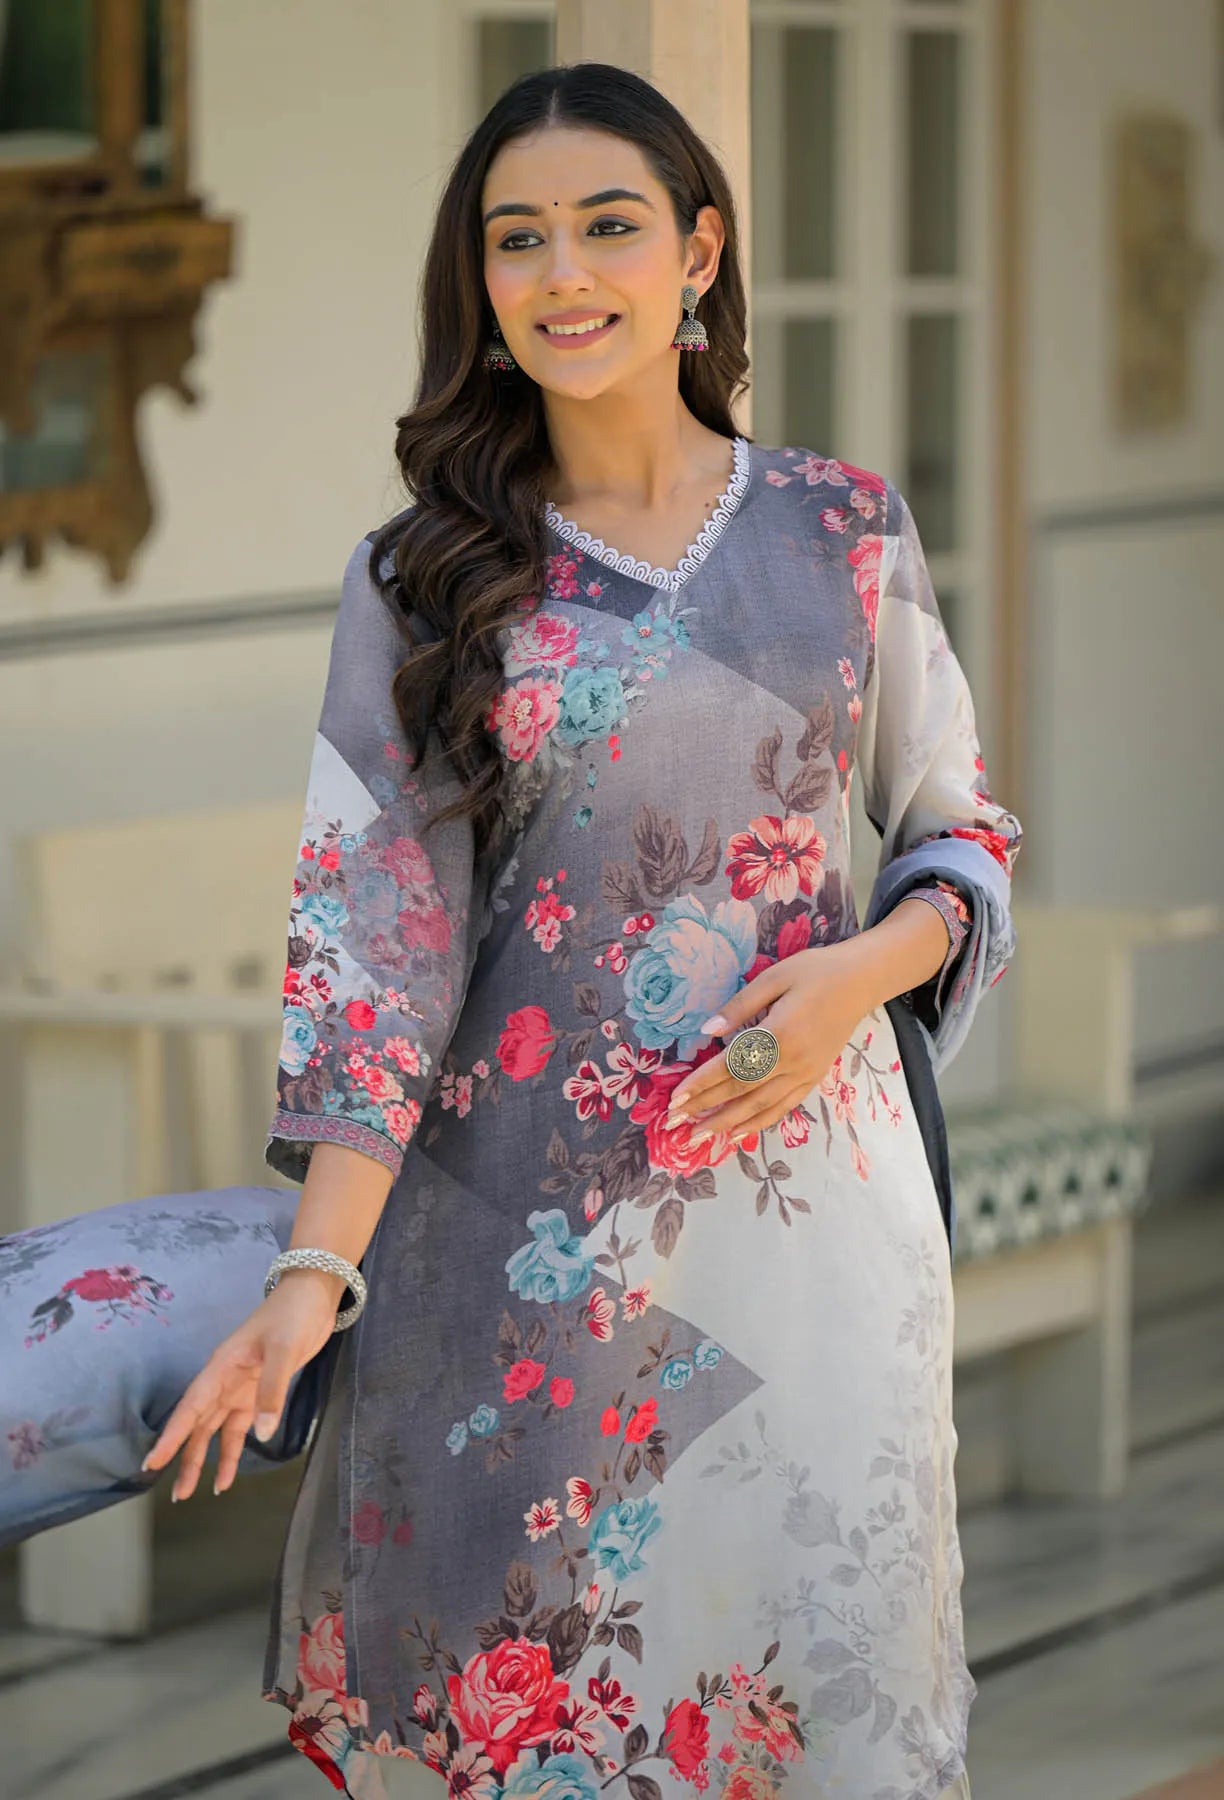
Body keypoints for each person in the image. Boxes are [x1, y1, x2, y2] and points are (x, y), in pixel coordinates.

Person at [17, 61, 1020, 1800]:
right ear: (478, 283)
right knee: (563, 1727)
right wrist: (310, 1279)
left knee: (823, 1715)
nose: (565, 274)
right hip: (524, 1248)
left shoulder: (843, 534)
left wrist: (864, 970)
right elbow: (371, 955)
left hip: (819, 1227)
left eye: (610, 227)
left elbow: (963, 833)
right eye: (518, 239)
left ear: (699, 250)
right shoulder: (425, 577)